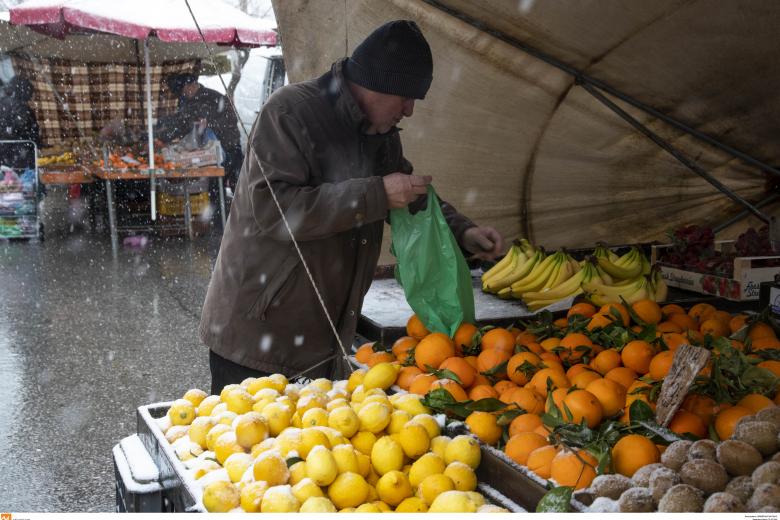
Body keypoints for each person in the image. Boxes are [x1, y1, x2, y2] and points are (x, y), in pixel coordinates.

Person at [199, 20, 504, 394]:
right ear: (378, 84)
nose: (409, 111)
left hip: (322, 340)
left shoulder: (381, 136)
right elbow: (275, 211)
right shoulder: (290, 114)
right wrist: (375, 194)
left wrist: (463, 231)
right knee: (248, 448)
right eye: (406, 97)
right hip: (257, 337)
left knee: (314, 451)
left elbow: (408, 192)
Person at [0, 76, 40, 170]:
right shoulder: (21, 107)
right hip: (19, 152)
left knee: (7, 179)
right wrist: (36, 142)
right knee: (20, 179)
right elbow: (25, 128)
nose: (31, 96)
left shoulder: (2, 103)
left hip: (5, 151)